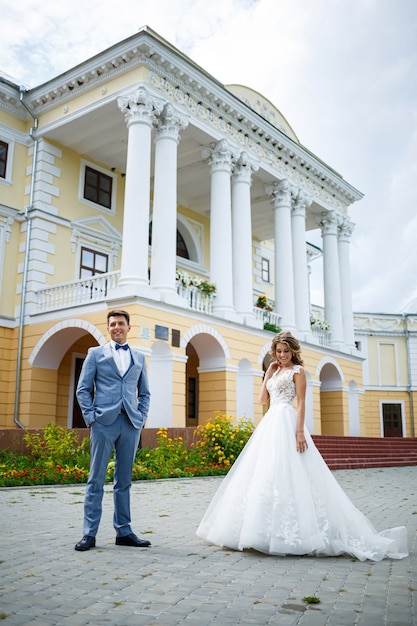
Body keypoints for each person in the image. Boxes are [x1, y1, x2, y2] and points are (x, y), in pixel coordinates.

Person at [196, 331, 408, 561]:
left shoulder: (299, 372)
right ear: (274, 352)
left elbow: (302, 402)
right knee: (267, 471)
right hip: (270, 424)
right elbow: (262, 400)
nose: (283, 354)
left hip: (287, 421)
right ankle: (260, 531)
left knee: (291, 471)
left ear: (293, 351)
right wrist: (267, 373)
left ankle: (298, 531)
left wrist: (299, 431)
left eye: (286, 351)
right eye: (279, 351)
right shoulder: (274, 371)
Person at [75, 309, 151, 551]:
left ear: (129, 327)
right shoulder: (95, 354)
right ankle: (89, 534)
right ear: (107, 328)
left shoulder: (139, 357)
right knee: (96, 479)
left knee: (124, 481)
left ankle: (124, 531)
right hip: (103, 423)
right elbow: (82, 390)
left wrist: (141, 418)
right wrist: (91, 418)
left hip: (130, 423)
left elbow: (145, 393)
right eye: (112, 324)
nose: (116, 327)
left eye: (121, 323)